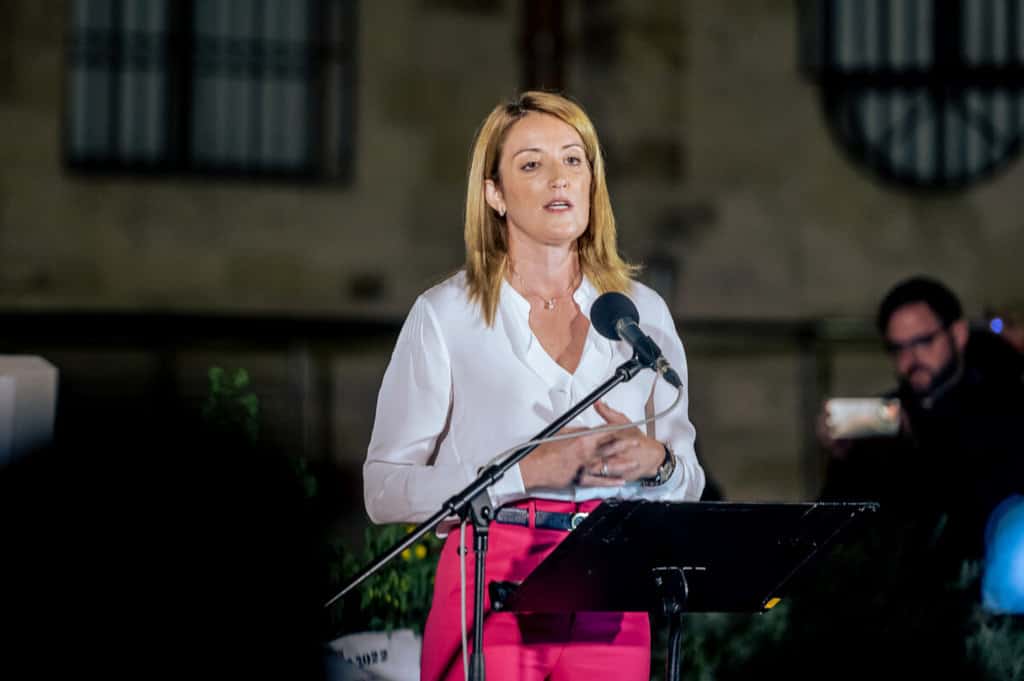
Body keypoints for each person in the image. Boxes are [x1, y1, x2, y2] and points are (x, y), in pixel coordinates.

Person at [362, 91, 705, 681]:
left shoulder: (641, 313)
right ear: (494, 193)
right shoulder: (446, 315)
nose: (559, 178)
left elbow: (688, 479)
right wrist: (526, 472)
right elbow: (383, 489)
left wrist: (658, 463)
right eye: (531, 164)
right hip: (490, 576)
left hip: (611, 580)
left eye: (573, 159)